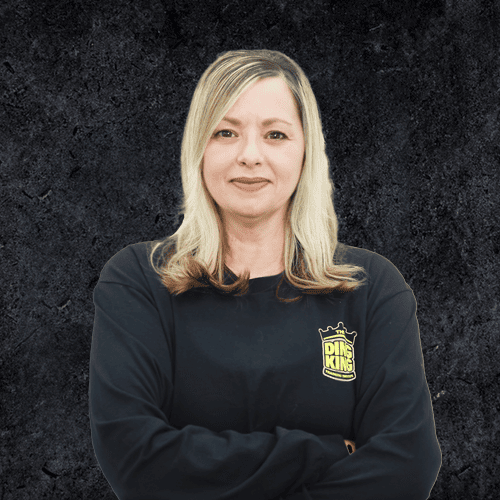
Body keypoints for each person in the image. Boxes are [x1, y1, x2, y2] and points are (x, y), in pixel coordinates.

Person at [89, 49, 441, 500]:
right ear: (198, 148)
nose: (249, 156)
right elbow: (136, 460)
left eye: (275, 134)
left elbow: (408, 465)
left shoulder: (370, 288)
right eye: (225, 132)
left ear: (305, 152)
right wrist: (328, 453)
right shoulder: (140, 281)